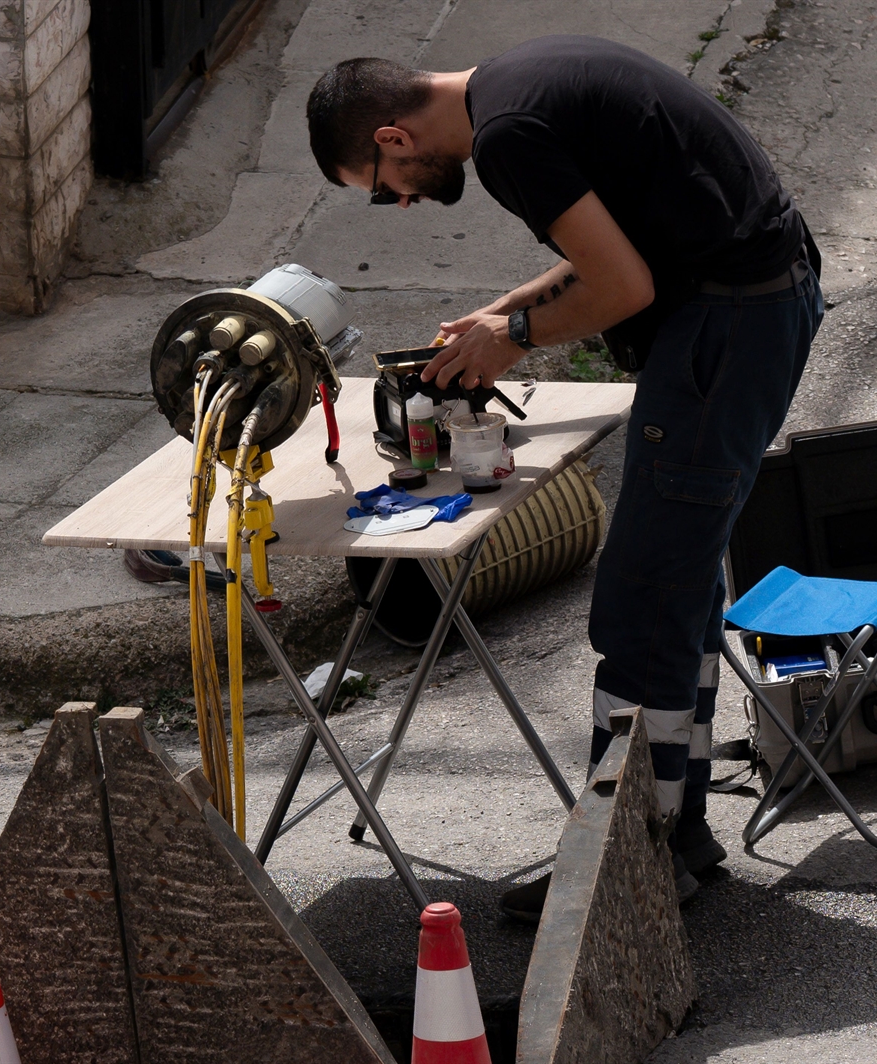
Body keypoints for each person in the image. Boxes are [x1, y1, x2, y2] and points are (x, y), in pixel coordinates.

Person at [306, 35, 823, 908]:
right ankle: (677, 835)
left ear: (393, 137)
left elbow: (619, 285)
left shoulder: (508, 138)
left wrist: (508, 340)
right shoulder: (521, 79)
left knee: (643, 597)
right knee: (678, 587)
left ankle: (628, 866)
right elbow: (616, 242)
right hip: (756, 302)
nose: (399, 204)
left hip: (731, 327)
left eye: (382, 186)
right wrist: (506, 310)